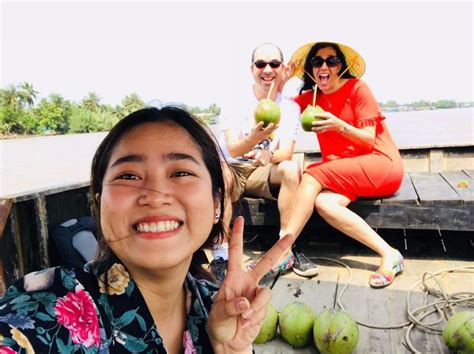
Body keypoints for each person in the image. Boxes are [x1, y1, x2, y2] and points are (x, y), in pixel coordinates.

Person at [0, 106, 294, 353]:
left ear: (217, 202)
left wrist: (230, 350)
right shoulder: (45, 306)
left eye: (181, 173)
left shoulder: (216, 305)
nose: (154, 195)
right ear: (100, 204)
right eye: (128, 176)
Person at [284, 41, 405, 288]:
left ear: (341, 66)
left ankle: (282, 249)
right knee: (324, 203)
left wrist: (339, 125)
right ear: (310, 70)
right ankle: (389, 253)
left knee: (312, 174)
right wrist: (282, 78)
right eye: (317, 62)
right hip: (347, 172)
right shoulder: (311, 99)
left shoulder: (357, 88)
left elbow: (369, 138)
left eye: (332, 61)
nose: (324, 66)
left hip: (382, 163)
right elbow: (278, 106)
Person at [210, 43, 319, 283]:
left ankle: (286, 245)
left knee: (291, 169)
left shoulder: (289, 107)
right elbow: (231, 148)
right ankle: (220, 255)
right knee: (222, 177)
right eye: (261, 64)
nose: (267, 69)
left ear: (282, 69)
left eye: (274, 64)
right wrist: (254, 139)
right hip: (234, 168)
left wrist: (268, 156)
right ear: (252, 69)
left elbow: (287, 151)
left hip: (263, 171)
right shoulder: (234, 101)